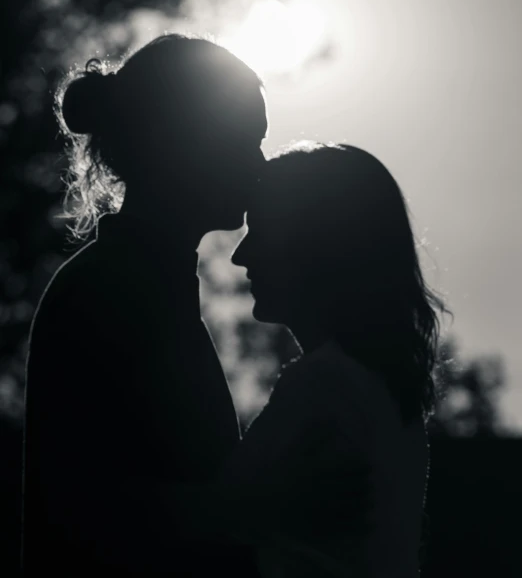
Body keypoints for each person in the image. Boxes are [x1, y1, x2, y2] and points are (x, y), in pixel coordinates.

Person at [22, 36, 367, 577]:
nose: (257, 164)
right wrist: (270, 500)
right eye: (244, 140)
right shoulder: (107, 294)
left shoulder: (141, 288)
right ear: (181, 142)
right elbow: (84, 512)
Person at [222, 141, 450, 577]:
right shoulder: (388, 397)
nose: (240, 255)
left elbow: (220, 520)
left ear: (314, 242)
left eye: (262, 230)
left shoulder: (324, 388)